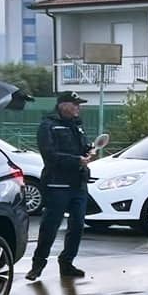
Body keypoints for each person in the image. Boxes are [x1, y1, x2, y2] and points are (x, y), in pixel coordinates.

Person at [29, 92, 95, 281]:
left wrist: (89, 152)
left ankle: (67, 263)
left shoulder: (77, 125)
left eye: (79, 105)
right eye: (74, 104)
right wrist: (77, 161)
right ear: (62, 105)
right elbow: (49, 155)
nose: (78, 108)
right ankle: (37, 265)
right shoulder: (48, 126)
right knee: (50, 226)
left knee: (77, 227)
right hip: (57, 184)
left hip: (78, 185)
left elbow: (83, 148)